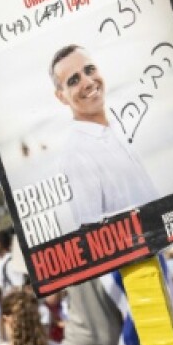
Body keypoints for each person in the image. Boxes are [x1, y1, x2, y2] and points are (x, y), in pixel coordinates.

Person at [48, 44, 161, 231]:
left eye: (89, 70)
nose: (88, 82)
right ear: (62, 97)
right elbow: (93, 236)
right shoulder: (76, 156)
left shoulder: (117, 127)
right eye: (74, 80)